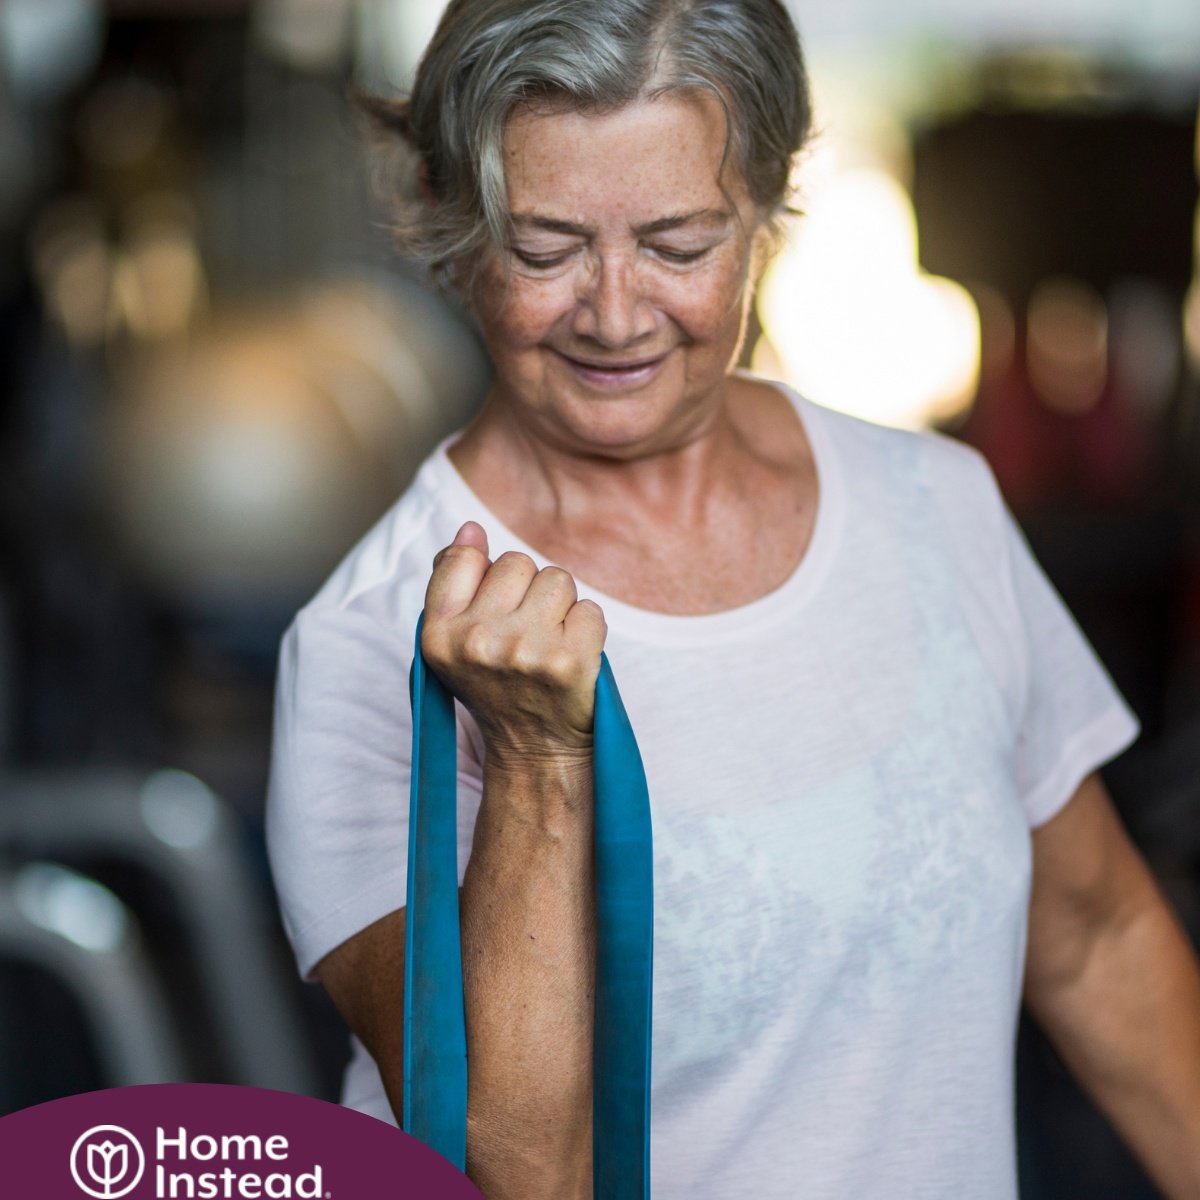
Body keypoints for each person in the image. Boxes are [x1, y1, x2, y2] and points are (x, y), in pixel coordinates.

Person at [265, 2, 1200, 1197]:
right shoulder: (365, 647)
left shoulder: (932, 503)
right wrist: (542, 765)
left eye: (678, 243)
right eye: (545, 249)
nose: (613, 313)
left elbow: (1097, 935)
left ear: (766, 207)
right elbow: (514, 1173)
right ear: (456, 229)